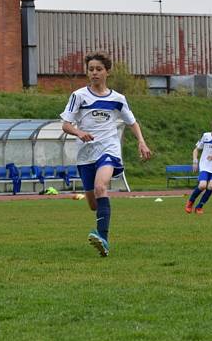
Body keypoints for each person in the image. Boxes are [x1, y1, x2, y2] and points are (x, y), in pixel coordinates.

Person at [60, 52, 152, 257]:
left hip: (108, 150)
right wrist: (79, 132)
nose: (94, 73)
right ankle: (101, 232)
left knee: (102, 186)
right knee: (94, 204)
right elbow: (66, 125)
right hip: (85, 155)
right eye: (91, 69)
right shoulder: (79, 96)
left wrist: (141, 142)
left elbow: (132, 122)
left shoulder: (118, 99)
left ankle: (103, 239)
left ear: (107, 72)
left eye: (98, 69)